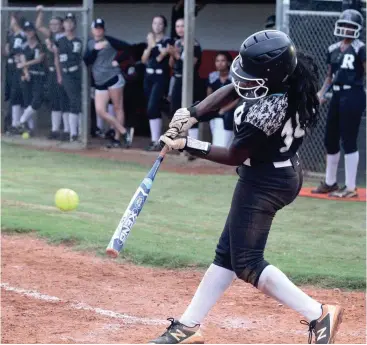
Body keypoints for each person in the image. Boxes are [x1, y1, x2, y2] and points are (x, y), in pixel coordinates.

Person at [150, 30, 343, 345]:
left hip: (266, 181)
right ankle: (187, 326)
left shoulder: (271, 107)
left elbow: (234, 154)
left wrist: (187, 143)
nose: (243, 82)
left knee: (247, 262)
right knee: (226, 255)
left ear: (272, 77)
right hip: (277, 173)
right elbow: (232, 89)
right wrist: (192, 114)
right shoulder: (283, 80)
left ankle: (318, 313)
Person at [312, 9, 366, 198]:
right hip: (336, 96)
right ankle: (330, 182)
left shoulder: (361, 48)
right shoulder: (333, 49)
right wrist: (320, 94)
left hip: (353, 95)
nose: (346, 29)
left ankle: (350, 187)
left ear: (358, 28)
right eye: (344, 25)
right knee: (330, 139)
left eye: (351, 26)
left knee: (349, 139)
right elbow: (330, 77)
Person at [83, 18, 132, 148]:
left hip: (113, 77)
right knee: (100, 110)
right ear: (92, 30)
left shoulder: (110, 40)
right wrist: (95, 49)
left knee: (117, 107)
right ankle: (124, 131)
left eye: (100, 28)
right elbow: (86, 60)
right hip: (99, 80)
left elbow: (129, 48)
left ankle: (117, 138)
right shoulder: (90, 43)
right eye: (96, 28)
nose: (98, 31)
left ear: (103, 30)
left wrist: (118, 60)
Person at [35, 5, 69, 140]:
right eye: (51, 24)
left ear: (62, 25)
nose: (53, 26)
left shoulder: (65, 36)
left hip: (64, 72)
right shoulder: (50, 35)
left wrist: (53, 47)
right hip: (52, 72)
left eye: (56, 24)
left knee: (64, 100)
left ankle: (67, 130)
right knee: (54, 100)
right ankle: (55, 130)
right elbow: (38, 26)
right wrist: (41, 12)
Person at [141, 15, 173, 151]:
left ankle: (156, 141)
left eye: (160, 24)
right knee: (156, 107)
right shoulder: (149, 40)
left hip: (161, 77)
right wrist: (150, 46)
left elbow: (160, 58)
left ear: (164, 26)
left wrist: (153, 44)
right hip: (148, 76)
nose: (157, 26)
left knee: (152, 108)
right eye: (155, 23)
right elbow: (143, 59)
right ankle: (156, 140)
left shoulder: (168, 40)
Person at [168, 18, 202, 141]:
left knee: (191, 112)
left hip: (190, 80)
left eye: (183, 26)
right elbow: (171, 65)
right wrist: (172, 54)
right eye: (177, 26)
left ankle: (194, 143)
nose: (180, 29)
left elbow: (191, 64)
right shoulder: (176, 43)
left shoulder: (194, 44)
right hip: (177, 79)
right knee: (175, 110)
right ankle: (181, 141)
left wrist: (177, 55)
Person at [54, 13, 83, 142]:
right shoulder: (60, 41)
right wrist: (59, 75)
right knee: (73, 101)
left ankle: (79, 132)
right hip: (66, 73)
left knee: (78, 102)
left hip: (77, 73)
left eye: (71, 22)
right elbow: (57, 60)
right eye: (66, 22)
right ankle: (73, 133)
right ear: (63, 24)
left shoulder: (78, 41)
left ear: (75, 24)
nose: (68, 24)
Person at [16, 21, 46, 135]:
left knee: (37, 100)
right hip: (28, 76)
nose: (28, 33)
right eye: (26, 31)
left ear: (34, 31)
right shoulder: (23, 45)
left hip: (39, 75)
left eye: (30, 30)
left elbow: (39, 59)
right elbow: (22, 58)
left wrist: (24, 65)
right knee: (28, 101)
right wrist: (26, 71)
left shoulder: (40, 45)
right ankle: (28, 128)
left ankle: (21, 121)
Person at [207, 51, 239, 147]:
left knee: (225, 144)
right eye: (217, 61)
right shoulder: (212, 76)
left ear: (229, 63)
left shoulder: (235, 77)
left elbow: (239, 98)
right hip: (216, 110)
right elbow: (209, 95)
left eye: (223, 60)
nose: (219, 63)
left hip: (231, 110)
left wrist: (225, 109)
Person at [5, 12, 26, 135]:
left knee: (16, 97)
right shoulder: (12, 36)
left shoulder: (20, 36)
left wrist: (8, 50)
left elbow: (15, 52)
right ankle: (14, 124)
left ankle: (15, 125)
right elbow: (7, 52)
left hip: (17, 69)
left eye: (12, 20)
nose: (10, 23)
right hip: (11, 68)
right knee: (12, 96)